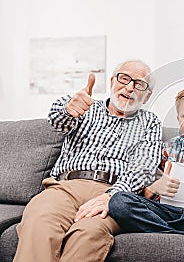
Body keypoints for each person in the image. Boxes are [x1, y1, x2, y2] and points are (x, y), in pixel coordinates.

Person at [14, 59, 162, 262]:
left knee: (88, 234)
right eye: (124, 78)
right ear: (112, 82)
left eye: (139, 84)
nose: (129, 88)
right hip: (65, 188)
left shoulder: (150, 122)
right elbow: (57, 120)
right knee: (40, 221)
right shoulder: (86, 106)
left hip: (113, 193)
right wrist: (68, 110)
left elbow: (144, 166)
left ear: (147, 96)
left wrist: (112, 196)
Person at [108, 86, 184, 235]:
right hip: (168, 211)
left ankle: (169, 231)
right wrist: (154, 187)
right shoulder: (166, 149)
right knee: (119, 200)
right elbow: (143, 193)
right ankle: (179, 231)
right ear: (179, 120)